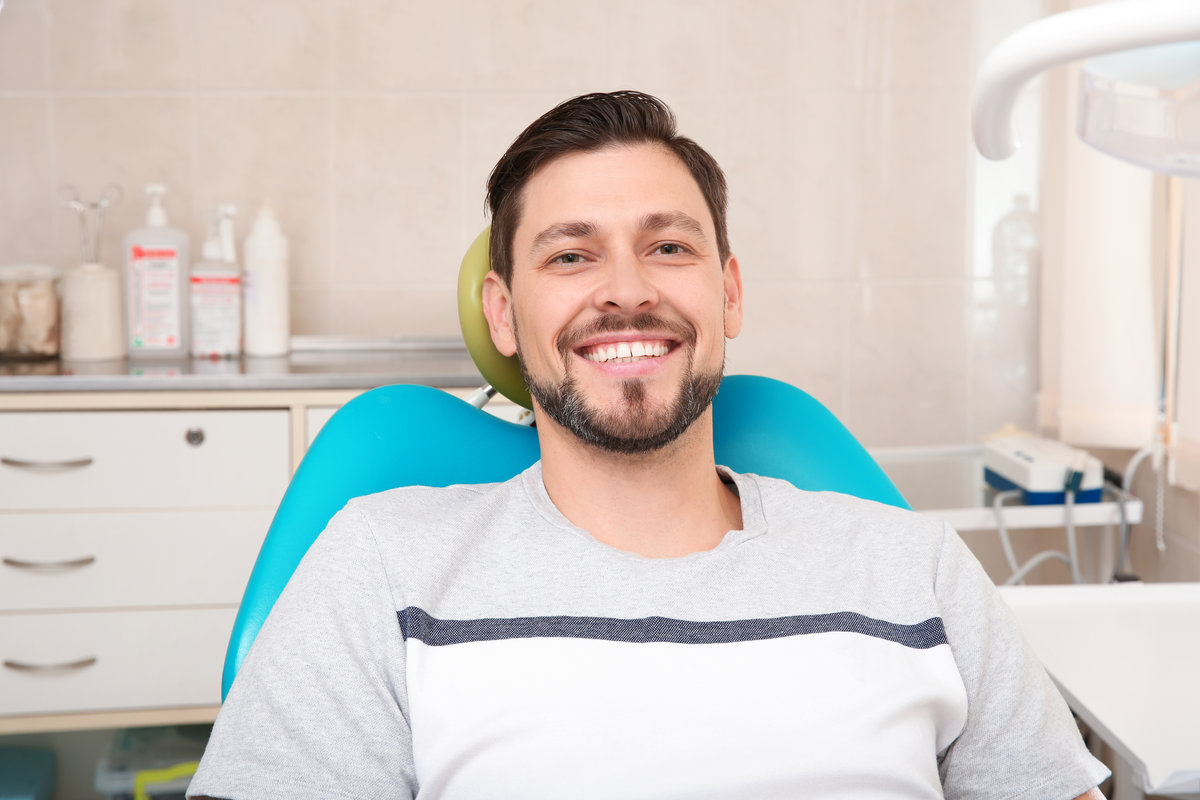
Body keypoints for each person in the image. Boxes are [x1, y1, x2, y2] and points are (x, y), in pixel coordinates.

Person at [189, 91, 1109, 800]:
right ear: (504, 315)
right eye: (570, 255)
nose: (627, 291)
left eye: (668, 247)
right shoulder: (381, 569)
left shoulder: (916, 571)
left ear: (730, 292)